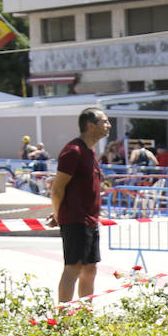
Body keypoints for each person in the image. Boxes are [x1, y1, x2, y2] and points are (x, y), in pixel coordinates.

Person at [51, 108, 112, 304]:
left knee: (90, 268)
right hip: (75, 220)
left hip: (90, 221)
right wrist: (58, 214)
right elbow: (57, 189)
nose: (108, 125)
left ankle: (85, 315)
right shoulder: (73, 151)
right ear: (90, 125)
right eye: (104, 121)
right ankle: (63, 319)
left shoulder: (90, 151)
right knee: (73, 268)